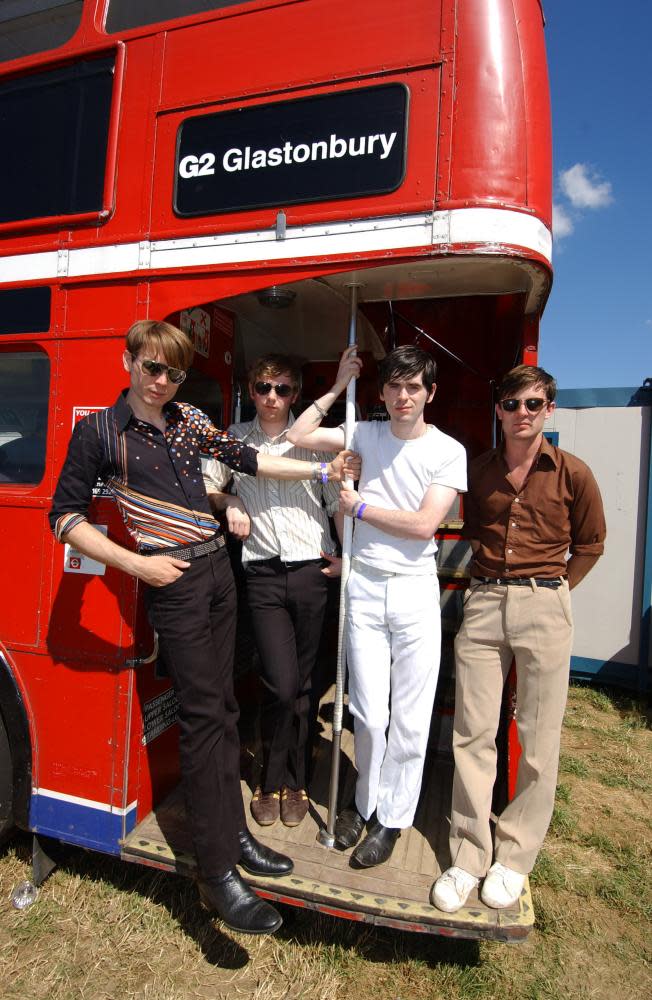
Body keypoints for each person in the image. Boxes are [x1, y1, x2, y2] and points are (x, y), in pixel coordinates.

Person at [49, 320, 359, 935]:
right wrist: (137, 564)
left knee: (223, 712)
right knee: (200, 721)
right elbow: (64, 516)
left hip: (220, 574)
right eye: (151, 368)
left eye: (173, 372)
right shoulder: (101, 432)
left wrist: (322, 475)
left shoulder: (188, 419)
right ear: (129, 361)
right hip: (176, 583)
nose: (161, 381)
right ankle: (215, 874)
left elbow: (251, 460)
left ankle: (235, 835)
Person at [431, 365, 606, 913]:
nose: (522, 413)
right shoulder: (477, 471)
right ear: (498, 410)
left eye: (533, 404)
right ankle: (469, 855)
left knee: (538, 736)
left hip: (544, 603)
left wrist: (552, 594)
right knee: (472, 733)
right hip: (483, 605)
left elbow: (592, 543)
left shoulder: (573, 473)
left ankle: (513, 858)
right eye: (512, 404)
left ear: (549, 409)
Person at [287, 344, 467, 867]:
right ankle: (365, 802)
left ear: (430, 393)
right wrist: (339, 387)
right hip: (362, 584)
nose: (403, 396)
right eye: (393, 386)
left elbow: (422, 525)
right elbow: (296, 436)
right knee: (367, 713)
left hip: (412, 587)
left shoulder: (447, 451)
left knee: (410, 718)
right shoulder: (363, 431)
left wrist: (358, 505)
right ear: (382, 391)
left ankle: (392, 817)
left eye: (413, 387)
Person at [203, 354, 343, 829]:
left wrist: (349, 555)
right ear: (250, 387)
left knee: (303, 688)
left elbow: (336, 503)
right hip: (262, 574)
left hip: (312, 573)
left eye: (282, 390)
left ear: (296, 395)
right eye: (264, 387)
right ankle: (267, 777)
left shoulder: (317, 442)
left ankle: (294, 780)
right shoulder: (233, 439)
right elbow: (208, 488)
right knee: (280, 685)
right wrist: (232, 500)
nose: (272, 398)